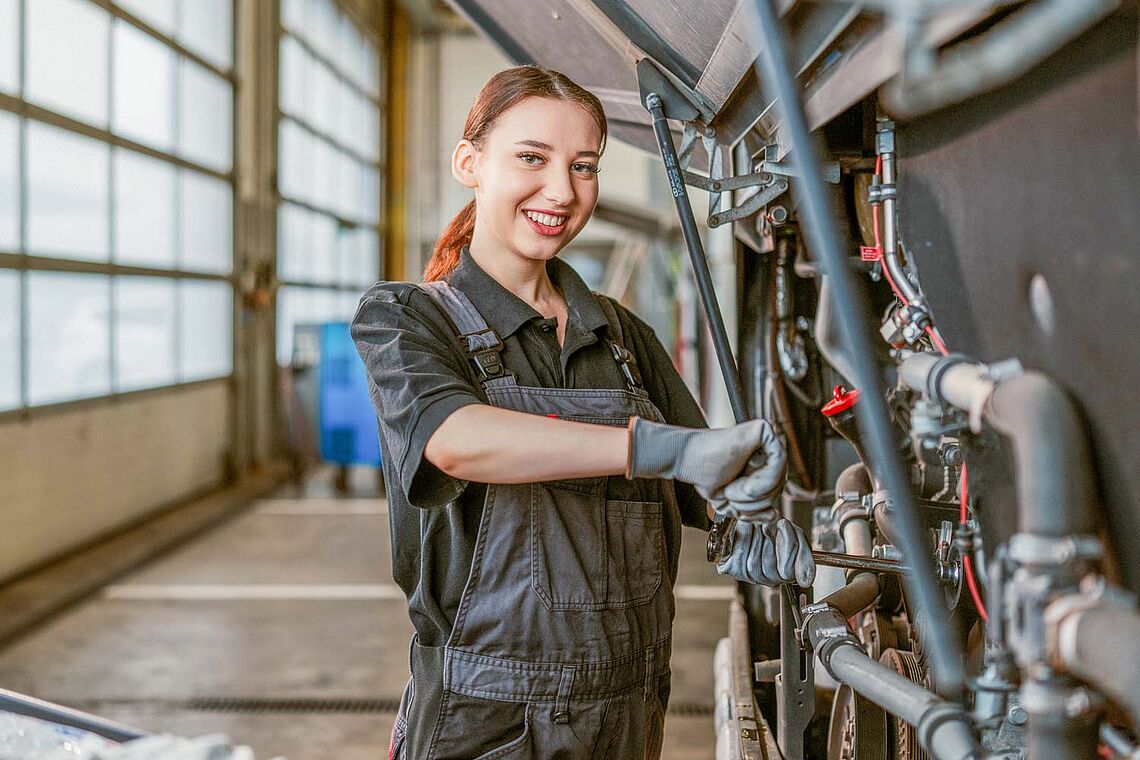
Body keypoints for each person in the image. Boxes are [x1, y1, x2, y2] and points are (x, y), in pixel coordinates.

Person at [352, 65, 815, 760]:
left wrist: (748, 519)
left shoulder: (623, 338)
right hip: (490, 723)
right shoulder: (407, 318)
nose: (562, 191)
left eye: (585, 166)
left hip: (629, 710)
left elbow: (703, 481)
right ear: (470, 163)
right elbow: (454, 439)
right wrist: (655, 450)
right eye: (532, 158)